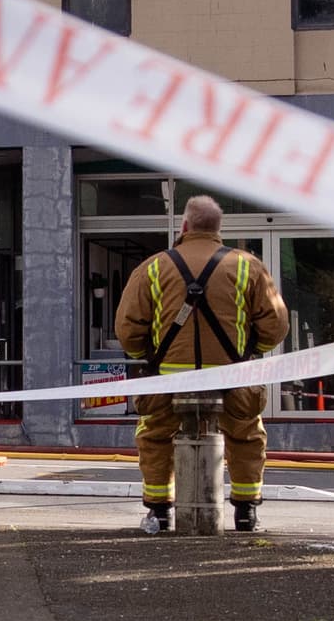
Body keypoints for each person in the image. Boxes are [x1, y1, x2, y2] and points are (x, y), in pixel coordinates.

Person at [114, 195, 288, 533]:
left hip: (168, 380)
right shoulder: (246, 266)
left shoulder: (153, 267)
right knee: (246, 435)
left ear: (184, 226)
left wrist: (147, 357)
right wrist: (250, 354)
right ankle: (246, 513)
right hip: (233, 377)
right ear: (219, 229)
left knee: (155, 436)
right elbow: (275, 326)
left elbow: (128, 328)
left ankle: (160, 513)